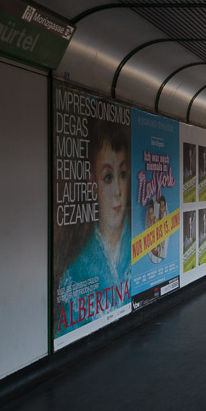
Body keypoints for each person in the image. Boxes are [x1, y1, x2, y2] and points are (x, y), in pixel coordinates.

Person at [59, 121, 131, 306]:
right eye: (108, 177)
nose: (118, 191)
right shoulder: (76, 272)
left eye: (122, 174)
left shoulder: (139, 240)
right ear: (92, 185)